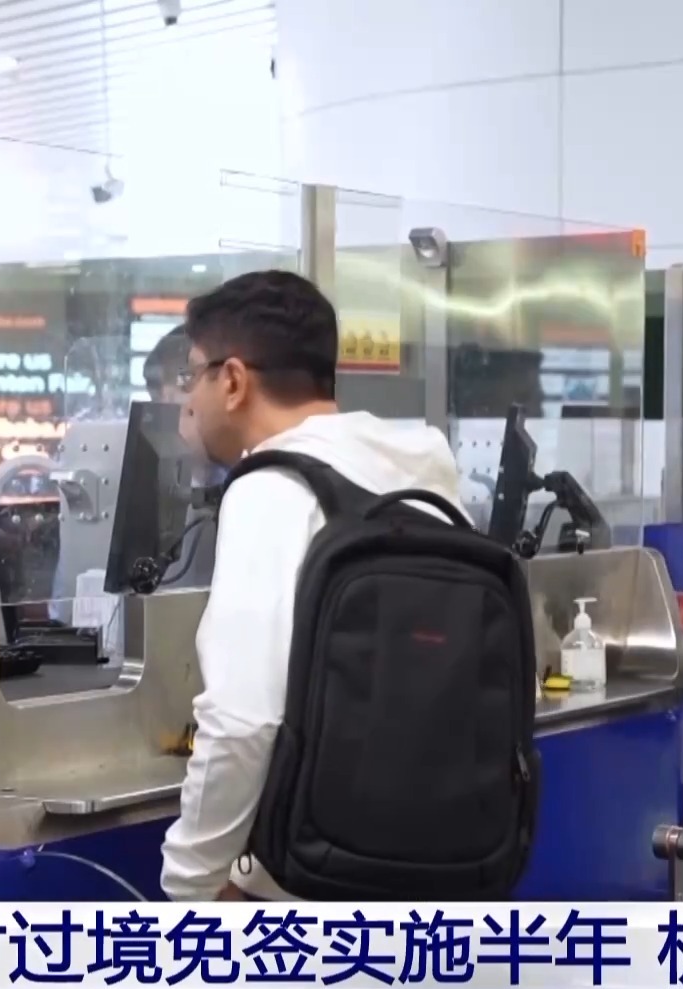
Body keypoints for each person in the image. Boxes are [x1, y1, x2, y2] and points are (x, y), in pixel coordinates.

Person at [158, 270, 467, 901]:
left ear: (234, 381)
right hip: (449, 858)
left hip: (315, 881)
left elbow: (243, 721)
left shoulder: (272, 488)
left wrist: (190, 887)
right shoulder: (423, 473)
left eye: (194, 376)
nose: (189, 400)